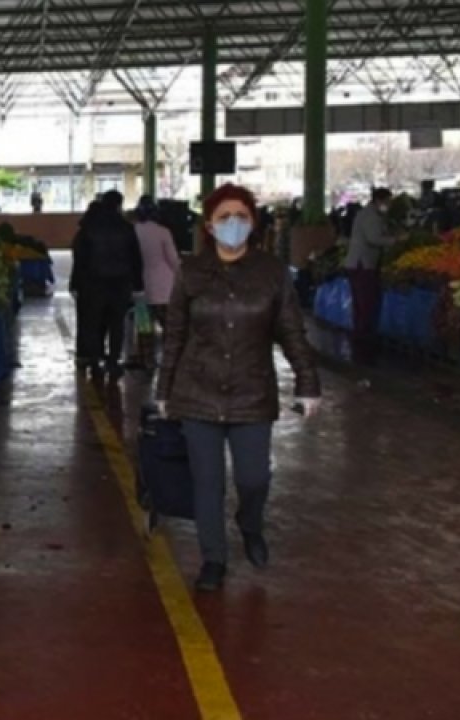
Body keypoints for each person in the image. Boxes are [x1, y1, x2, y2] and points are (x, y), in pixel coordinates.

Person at [154, 183, 321, 593]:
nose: (233, 224)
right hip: (197, 392)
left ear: (253, 223)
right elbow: (175, 334)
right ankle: (214, 558)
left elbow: (291, 332)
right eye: (224, 217)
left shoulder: (272, 274)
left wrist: (308, 383)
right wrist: (164, 389)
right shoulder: (191, 272)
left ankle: (250, 523)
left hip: (252, 392)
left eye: (242, 217)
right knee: (207, 482)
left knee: (253, 478)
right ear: (209, 226)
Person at [69, 190, 144, 377]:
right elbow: (136, 258)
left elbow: (80, 258)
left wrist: (75, 283)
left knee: (93, 323)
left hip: (93, 284)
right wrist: (138, 285)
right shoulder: (126, 227)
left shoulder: (89, 227)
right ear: (119, 204)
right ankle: (113, 361)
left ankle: (95, 362)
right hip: (120, 283)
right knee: (117, 324)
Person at [343, 187, 396, 362]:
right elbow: (373, 238)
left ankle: (361, 338)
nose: (389, 205)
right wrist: (395, 240)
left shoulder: (368, 214)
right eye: (387, 201)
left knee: (361, 304)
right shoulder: (371, 216)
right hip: (362, 265)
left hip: (359, 264)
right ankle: (363, 342)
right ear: (380, 201)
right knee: (365, 303)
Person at [133, 195, 181, 330]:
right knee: (169, 329)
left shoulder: (133, 231)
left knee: (144, 329)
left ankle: (146, 350)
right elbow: (173, 260)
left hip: (140, 287)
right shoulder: (163, 232)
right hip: (164, 290)